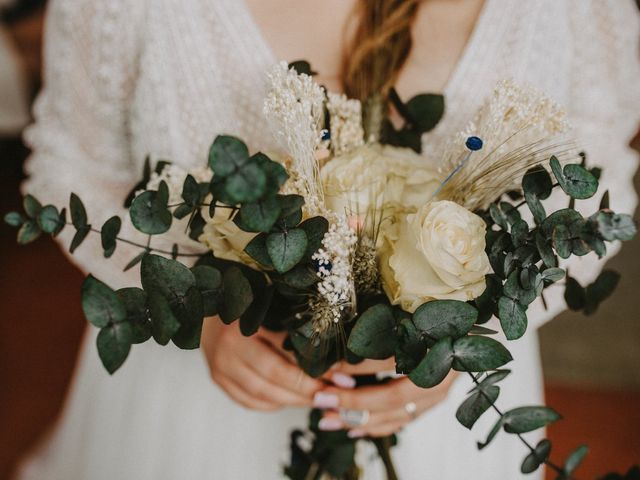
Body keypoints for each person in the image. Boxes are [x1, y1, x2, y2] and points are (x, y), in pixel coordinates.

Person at [14, 0, 640, 479]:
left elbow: (597, 178)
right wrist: (198, 316)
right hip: (194, 406)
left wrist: (466, 334)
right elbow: (70, 171)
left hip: (450, 413)